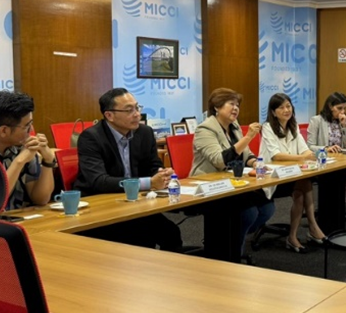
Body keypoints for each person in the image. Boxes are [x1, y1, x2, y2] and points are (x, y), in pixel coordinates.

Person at [74, 88, 182, 252]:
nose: (137, 114)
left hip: (134, 202)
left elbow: (152, 165)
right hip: (101, 205)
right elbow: (99, 181)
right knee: (138, 237)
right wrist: (149, 183)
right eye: (129, 110)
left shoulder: (144, 132)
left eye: (137, 108)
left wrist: (161, 173)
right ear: (109, 115)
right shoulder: (91, 138)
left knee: (171, 233)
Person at [192, 87, 274, 258]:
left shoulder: (234, 127)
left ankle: (232, 240)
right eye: (231, 104)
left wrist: (256, 163)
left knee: (267, 206)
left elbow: (246, 155)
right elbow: (220, 160)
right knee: (248, 212)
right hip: (207, 185)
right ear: (216, 107)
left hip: (233, 182)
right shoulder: (205, 129)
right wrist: (248, 137)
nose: (236, 108)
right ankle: (230, 252)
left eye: (238, 105)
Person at [259, 93, 326, 252]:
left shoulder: (293, 126)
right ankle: (311, 227)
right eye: (281, 107)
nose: (286, 110)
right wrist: (301, 158)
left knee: (302, 188)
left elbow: (306, 150)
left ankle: (296, 235)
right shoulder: (267, 127)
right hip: (271, 177)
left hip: (291, 174)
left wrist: (302, 156)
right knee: (303, 185)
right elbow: (276, 156)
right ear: (273, 112)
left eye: (288, 106)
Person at [308, 92, 346, 205]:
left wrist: (344, 126)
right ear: (330, 106)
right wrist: (326, 148)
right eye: (339, 108)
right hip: (324, 161)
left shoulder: (341, 121)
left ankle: (339, 207)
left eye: (344, 108)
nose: (342, 112)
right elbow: (310, 146)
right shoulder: (317, 120)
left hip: (340, 160)